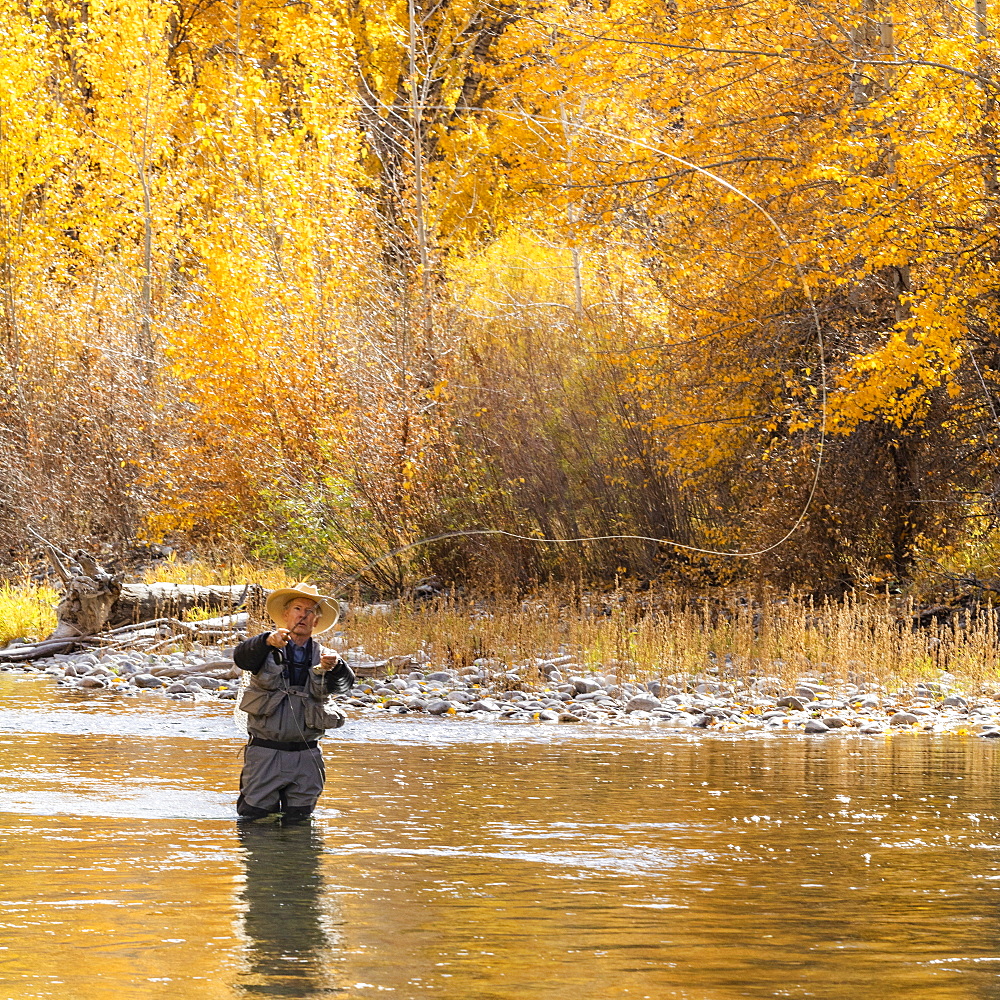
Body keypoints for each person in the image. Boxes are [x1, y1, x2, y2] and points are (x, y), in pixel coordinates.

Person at [234, 582, 355, 822]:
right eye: (298, 608)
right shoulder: (263, 647)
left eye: (309, 611)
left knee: (300, 822)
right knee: (254, 819)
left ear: (316, 622)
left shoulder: (326, 656)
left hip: (307, 757)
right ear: (286, 615)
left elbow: (345, 685)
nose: (303, 615)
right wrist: (267, 641)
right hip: (265, 754)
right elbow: (241, 657)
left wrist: (337, 666)